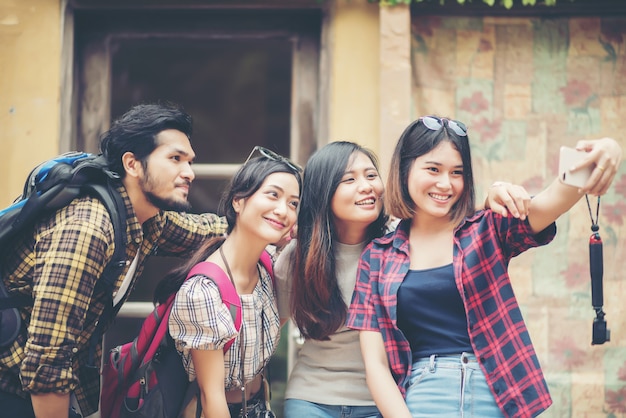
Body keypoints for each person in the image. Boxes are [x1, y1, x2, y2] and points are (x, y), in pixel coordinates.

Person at [346, 116, 623, 418]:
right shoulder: (377, 257)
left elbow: (554, 199)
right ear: (404, 169)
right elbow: (375, 366)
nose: (445, 183)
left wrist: (605, 150)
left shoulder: (487, 229)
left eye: (457, 172)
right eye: (433, 169)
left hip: (497, 393)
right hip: (423, 396)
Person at [0, 103, 230, 418]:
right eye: (175, 159)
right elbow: (47, 362)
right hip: (12, 390)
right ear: (132, 164)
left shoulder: (147, 220)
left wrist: (276, 224)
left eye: (190, 162)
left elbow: (205, 231)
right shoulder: (89, 227)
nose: (189, 172)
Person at [275, 141, 535, 418]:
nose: (366, 186)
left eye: (371, 175)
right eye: (349, 179)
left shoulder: (401, 242)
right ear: (323, 192)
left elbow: (458, 227)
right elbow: (270, 326)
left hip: (385, 401)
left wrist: (492, 195)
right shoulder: (298, 256)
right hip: (311, 399)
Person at [159, 147, 302, 418]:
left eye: (293, 203)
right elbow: (211, 397)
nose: (283, 210)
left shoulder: (269, 266)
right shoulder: (204, 291)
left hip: (259, 407)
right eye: (273, 195)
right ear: (239, 201)